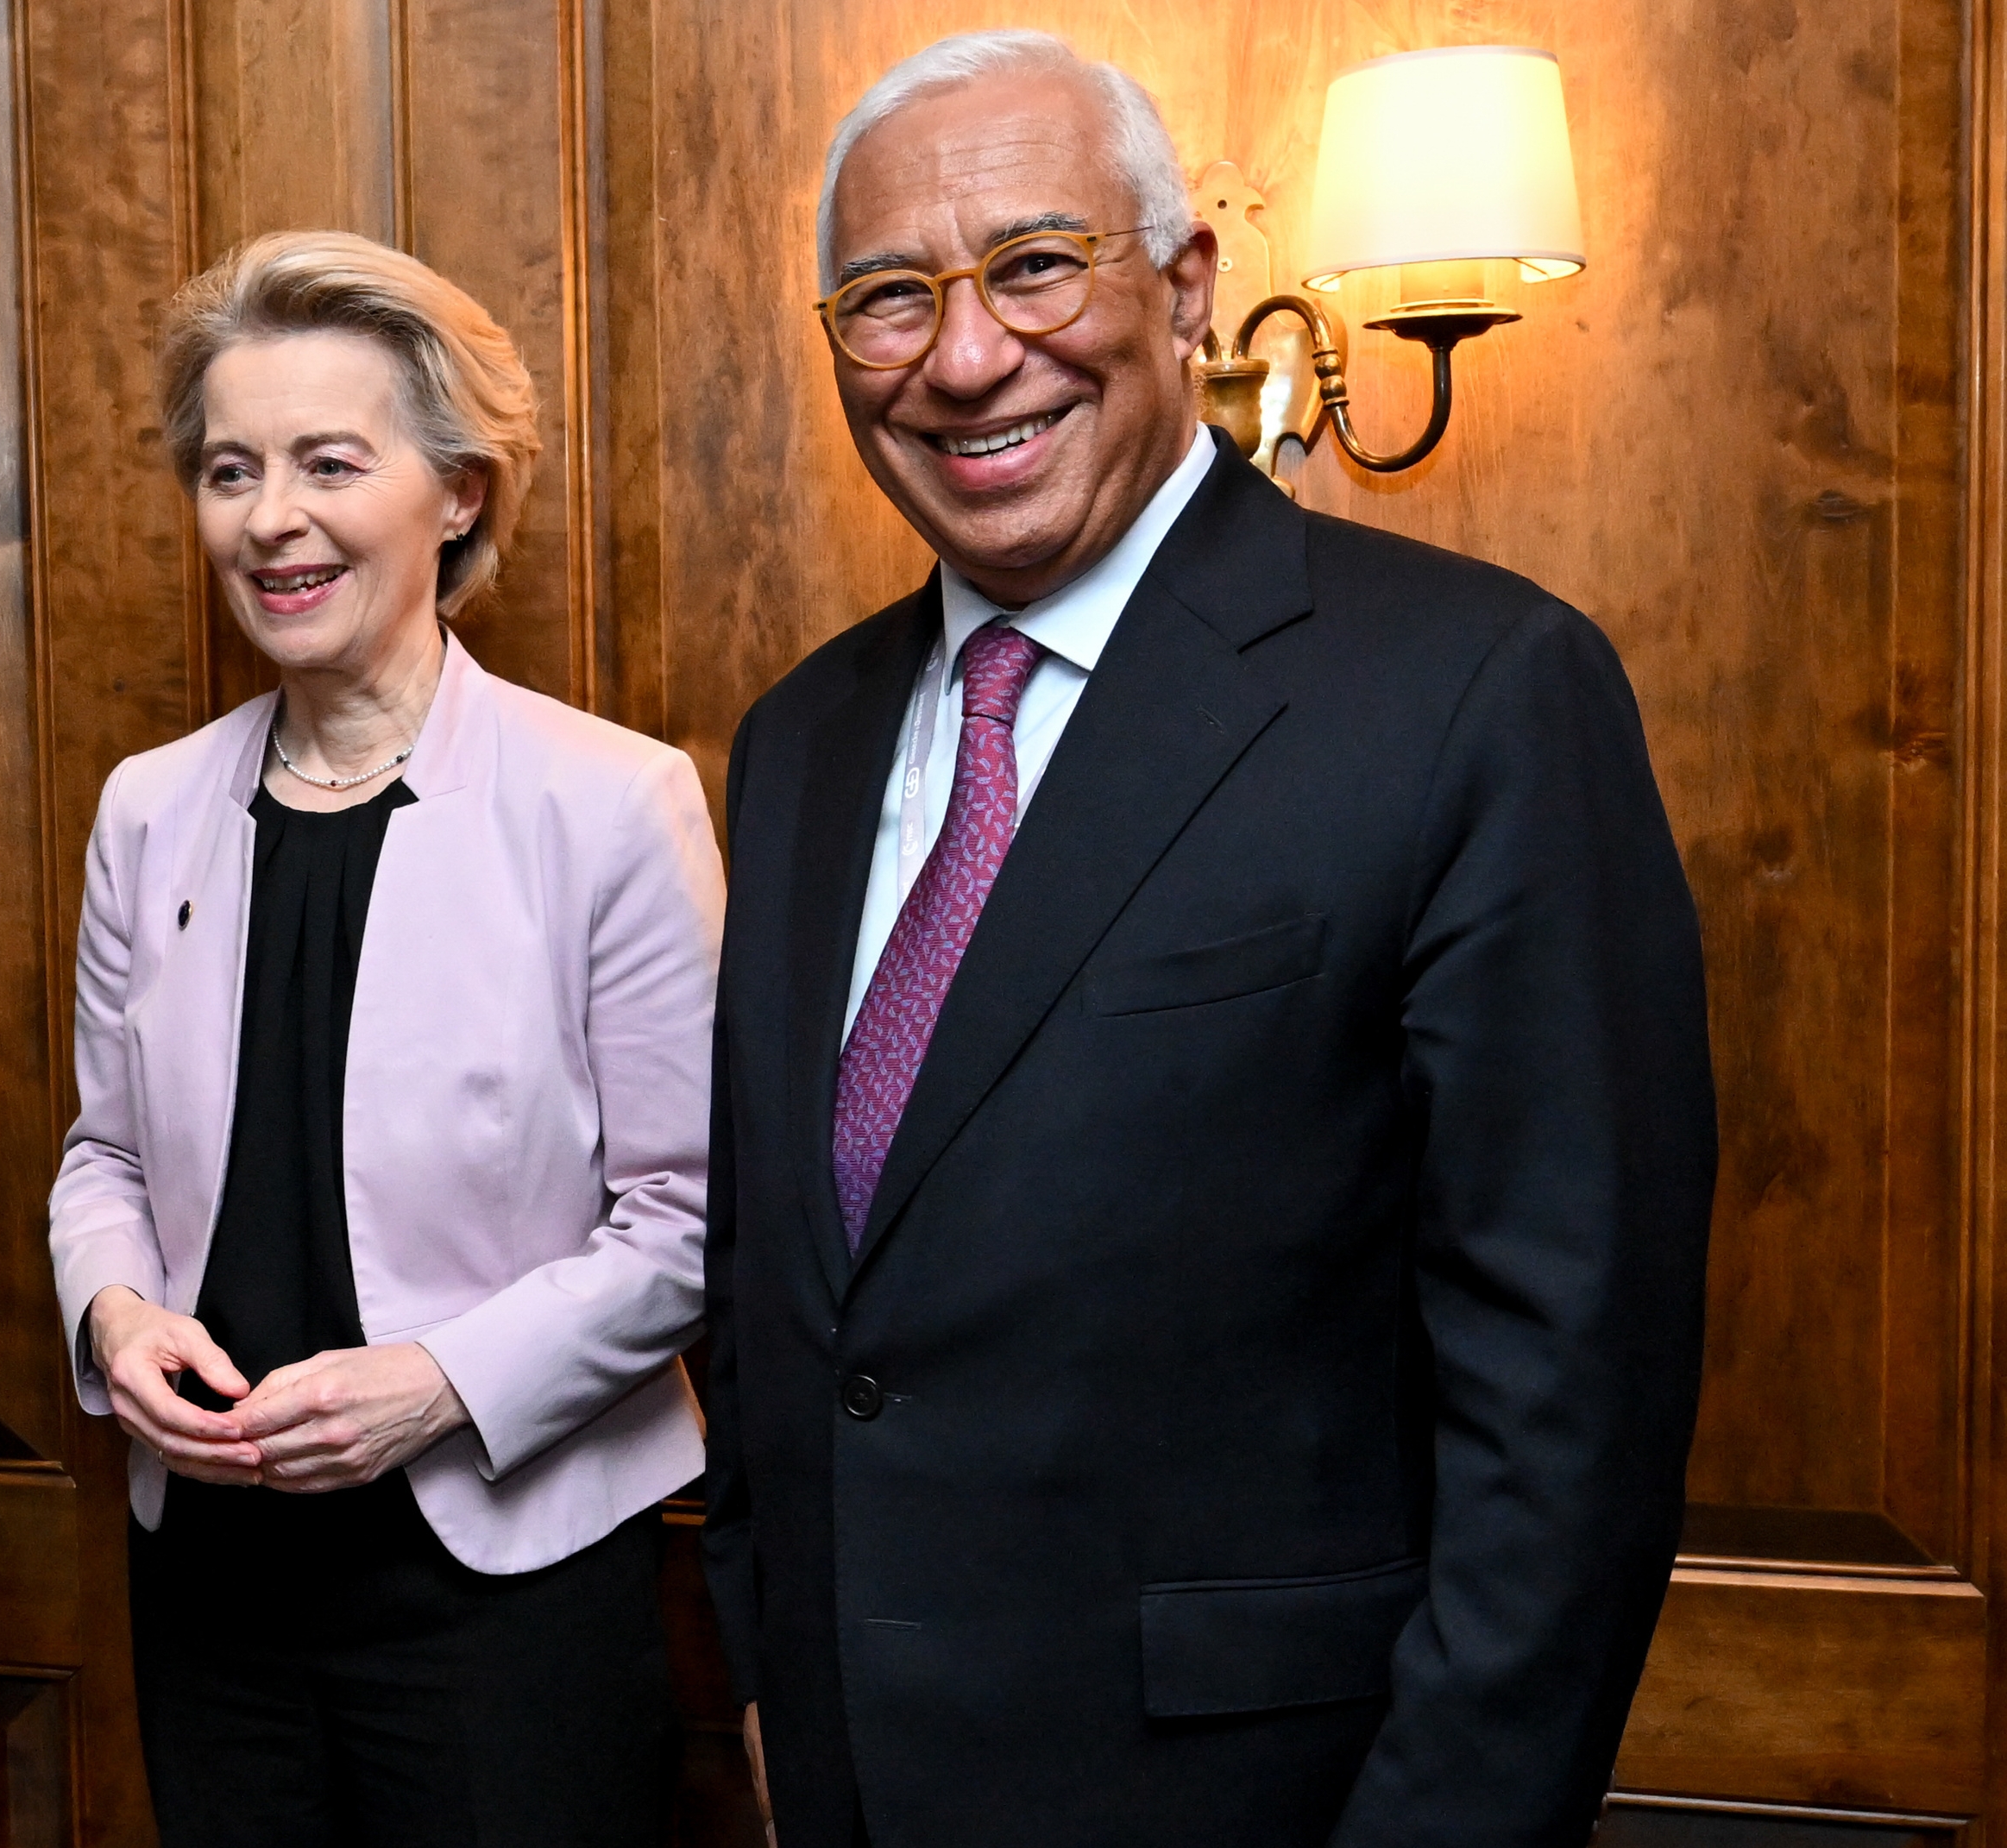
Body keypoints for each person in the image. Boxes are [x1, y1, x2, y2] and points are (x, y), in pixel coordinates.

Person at [699, 31, 1715, 1848]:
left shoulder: (1473, 691)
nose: (964, 356)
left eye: (1031, 264)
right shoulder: (803, 737)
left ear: (1182, 290)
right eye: (886, 297)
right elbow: (790, 1296)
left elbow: (1571, 1399)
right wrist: (773, 1674)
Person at [47, 230, 722, 1846]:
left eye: (328, 463)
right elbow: (104, 1154)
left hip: (508, 1584)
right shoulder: (147, 811)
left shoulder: (608, 802)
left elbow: (693, 1224)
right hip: (213, 1583)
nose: (270, 517)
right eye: (229, 469)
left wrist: (434, 1382)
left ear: (459, 491)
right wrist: (115, 1316)